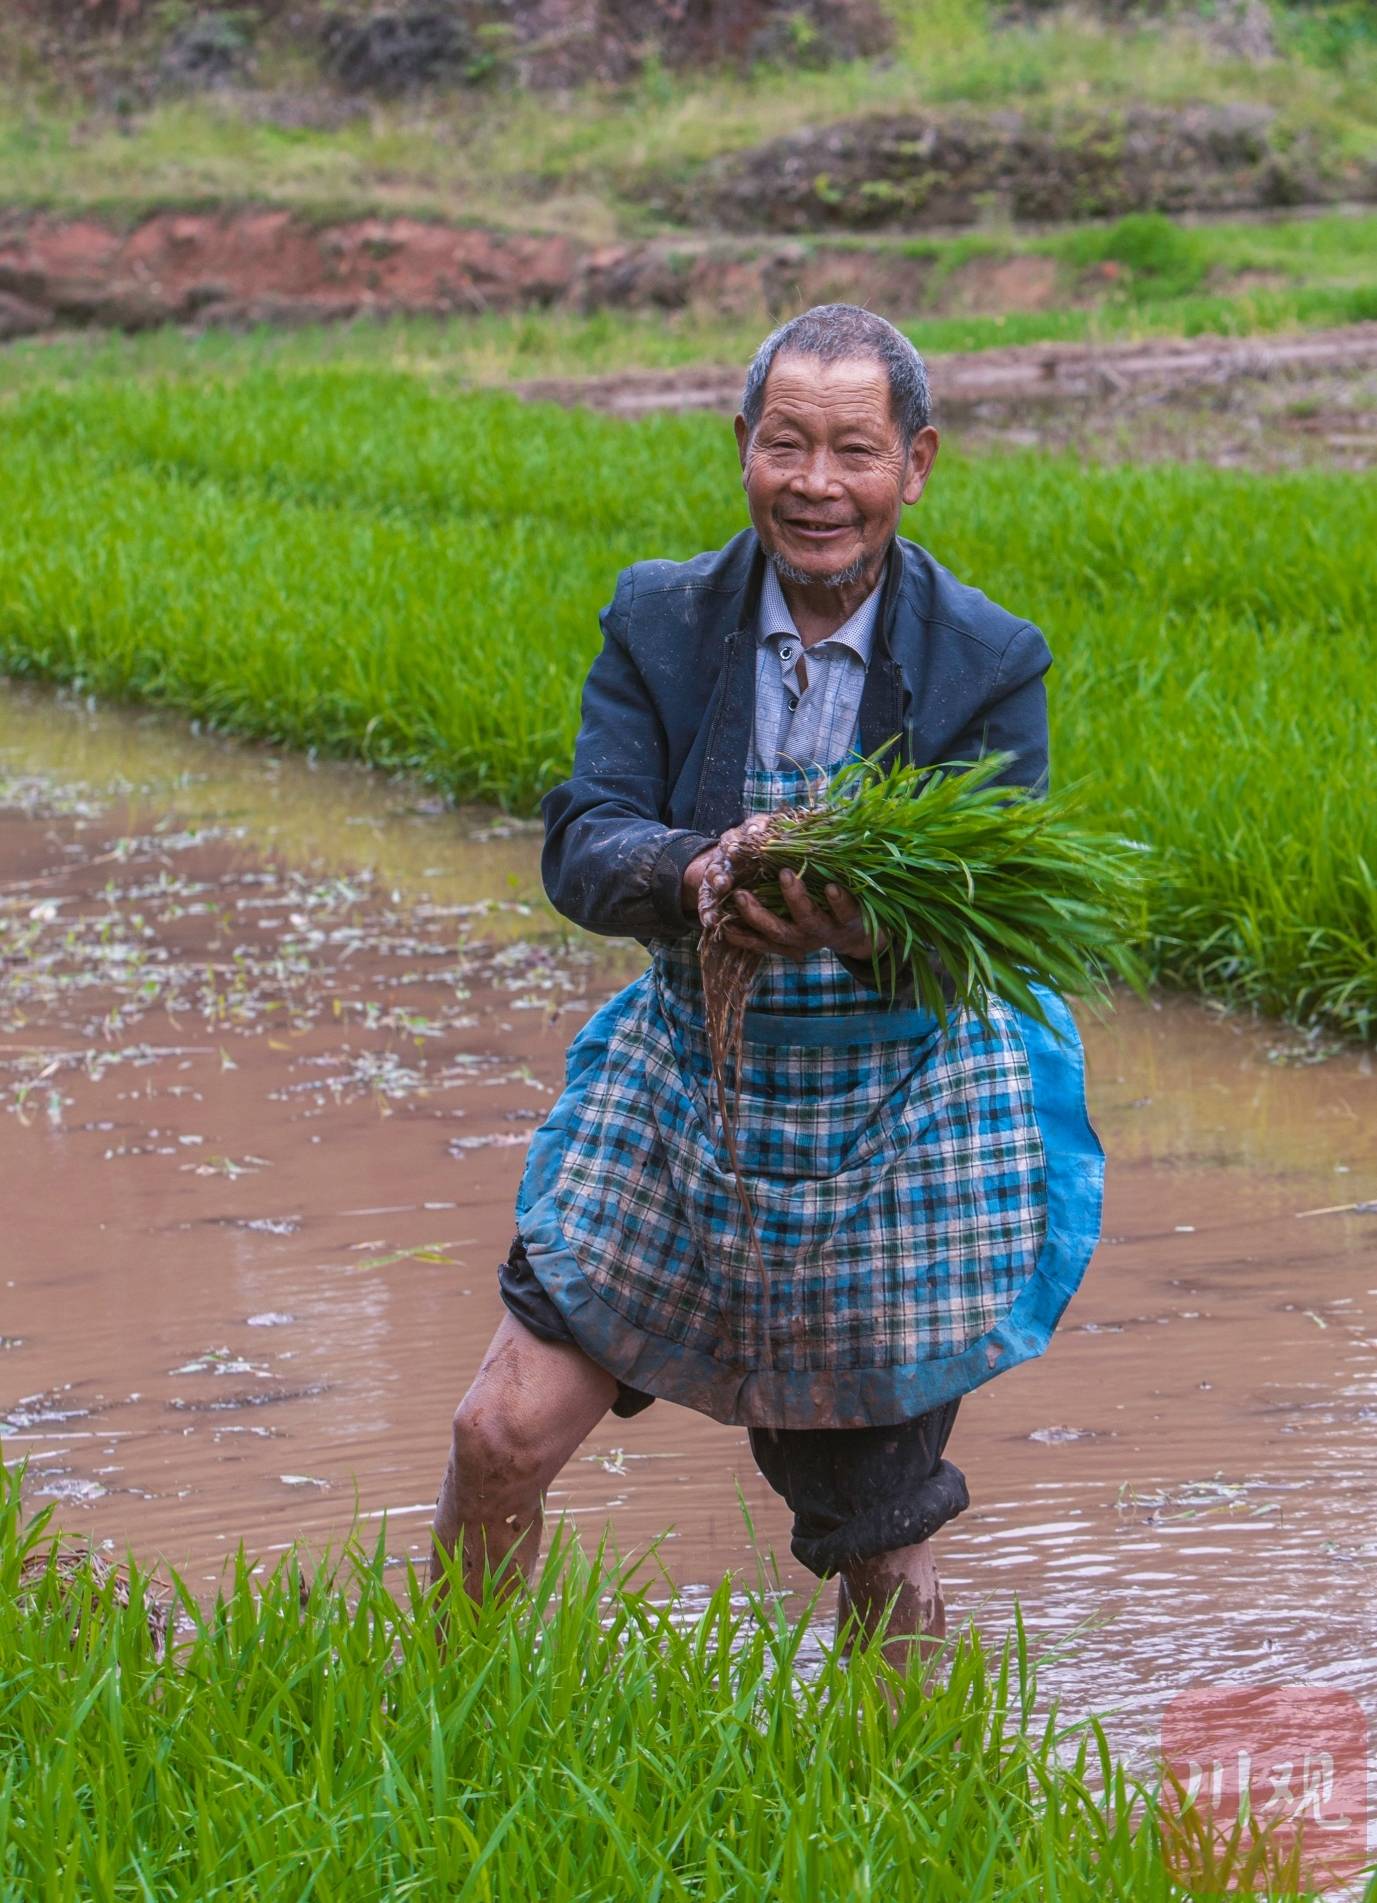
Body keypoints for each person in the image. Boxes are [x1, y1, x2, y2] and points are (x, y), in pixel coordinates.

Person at [431, 304, 1103, 1663]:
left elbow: (994, 919)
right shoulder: (662, 620)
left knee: (874, 1539)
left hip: (895, 1120)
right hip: (694, 1085)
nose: (815, 484)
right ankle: (451, 1710)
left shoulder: (986, 659)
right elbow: (584, 838)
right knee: (497, 1432)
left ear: (913, 465)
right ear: (741, 447)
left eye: (851, 450)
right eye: (784, 444)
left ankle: (913, 1797)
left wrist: (857, 922)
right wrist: (700, 877)